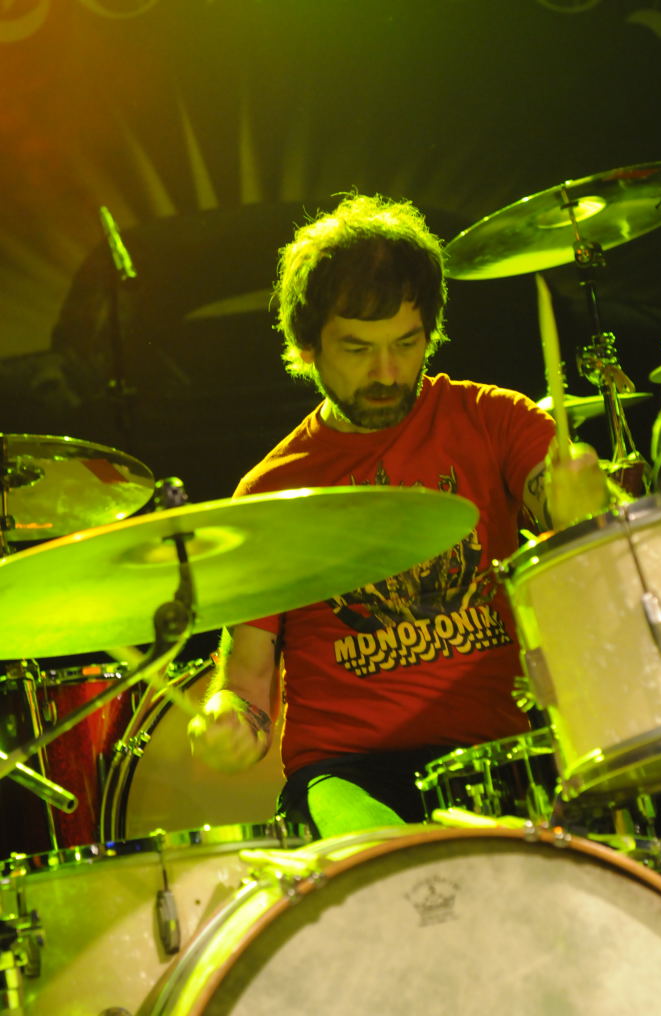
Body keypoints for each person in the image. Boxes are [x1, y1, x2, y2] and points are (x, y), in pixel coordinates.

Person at [188, 192, 608, 838]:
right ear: (308, 346)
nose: (387, 372)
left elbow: (558, 509)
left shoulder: (493, 420)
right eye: (358, 349)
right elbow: (245, 682)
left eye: (406, 343)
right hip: (347, 773)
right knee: (392, 864)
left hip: (497, 756)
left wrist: (580, 511)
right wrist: (227, 719)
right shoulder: (273, 490)